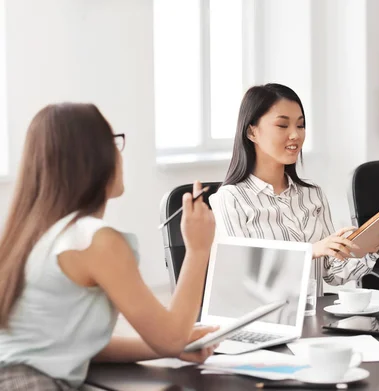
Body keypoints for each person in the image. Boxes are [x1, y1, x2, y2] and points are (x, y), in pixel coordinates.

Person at [0, 103, 217, 390]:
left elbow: (78, 348)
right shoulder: (95, 241)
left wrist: (165, 347)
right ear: (94, 156)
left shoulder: (32, 235)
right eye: (113, 142)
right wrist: (198, 249)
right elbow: (172, 335)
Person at [210, 83, 379, 286]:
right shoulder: (230, 198)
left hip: (315, 313)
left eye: (300, 125)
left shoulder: (312, 194)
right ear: (252, 132)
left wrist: (368, 247)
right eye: (283, 125)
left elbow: (332, 275)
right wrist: (311, 251)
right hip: (265, 316)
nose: (296, 135)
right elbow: (245, 276)